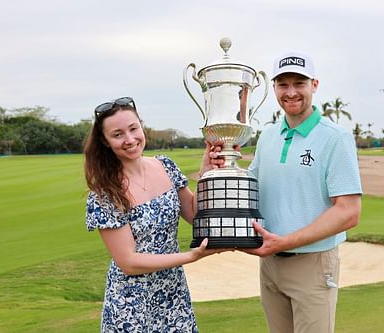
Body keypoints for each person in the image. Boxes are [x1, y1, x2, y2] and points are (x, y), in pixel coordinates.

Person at [242, 52, 363, 333]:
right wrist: (220, 165)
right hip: (270, 264)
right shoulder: (269, 136)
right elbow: (251, 187)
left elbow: (348, 212)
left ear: (315, 85)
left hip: (313, 263)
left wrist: (284, 242)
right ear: (274, 88)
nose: (291, 92)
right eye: (283, 85)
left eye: (300, 83)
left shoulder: (335, 138)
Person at [83, 96, 225, 332]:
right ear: (106, 141)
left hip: (173, 293)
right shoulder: (105, 193)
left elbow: (194, 215)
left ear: (141, 126)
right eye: (118, 135)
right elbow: (128, 262)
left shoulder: (165, 166)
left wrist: (205, 174)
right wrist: (191, 257)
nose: (130, 140)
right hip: (131, 304)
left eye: (133, 128)